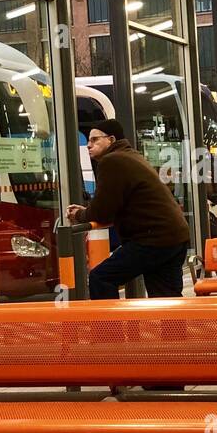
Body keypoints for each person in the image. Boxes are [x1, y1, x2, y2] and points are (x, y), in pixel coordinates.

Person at [68, 119, 191, 299]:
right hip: (175, 236)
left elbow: (102, 211)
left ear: (110, 139)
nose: (88, 145)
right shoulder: (132, 156)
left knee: (101, 278)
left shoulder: (112, 161)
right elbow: (116, 202)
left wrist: (79, 214)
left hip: (152, 239)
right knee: (166, 297)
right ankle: (174, 328)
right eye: (88, 140)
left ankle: (111, 328)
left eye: (94, 140)